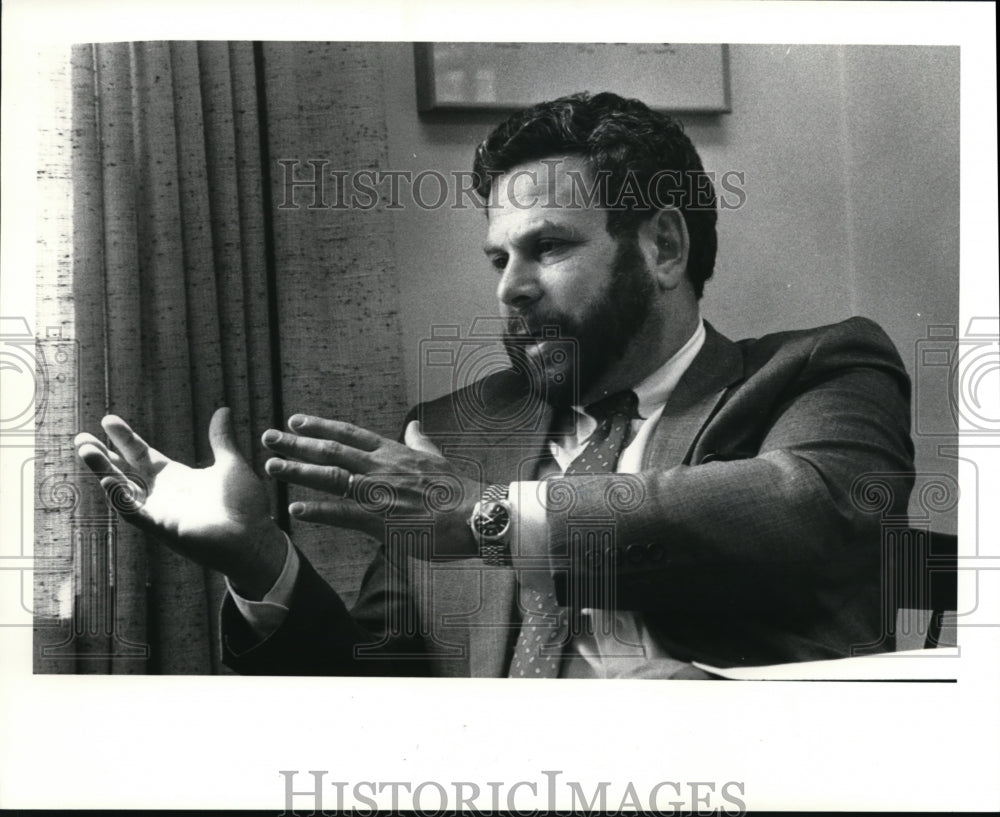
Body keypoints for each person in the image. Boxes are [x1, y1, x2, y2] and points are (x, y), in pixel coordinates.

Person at [74, 91, 915, 678]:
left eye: (547, 247)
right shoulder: (455, 433)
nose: (509, 287)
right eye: (498, 257)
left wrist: (486, 518)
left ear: (663, 247)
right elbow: (374, 686)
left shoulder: (815, 372)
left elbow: (815, 507)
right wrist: (262, 566)